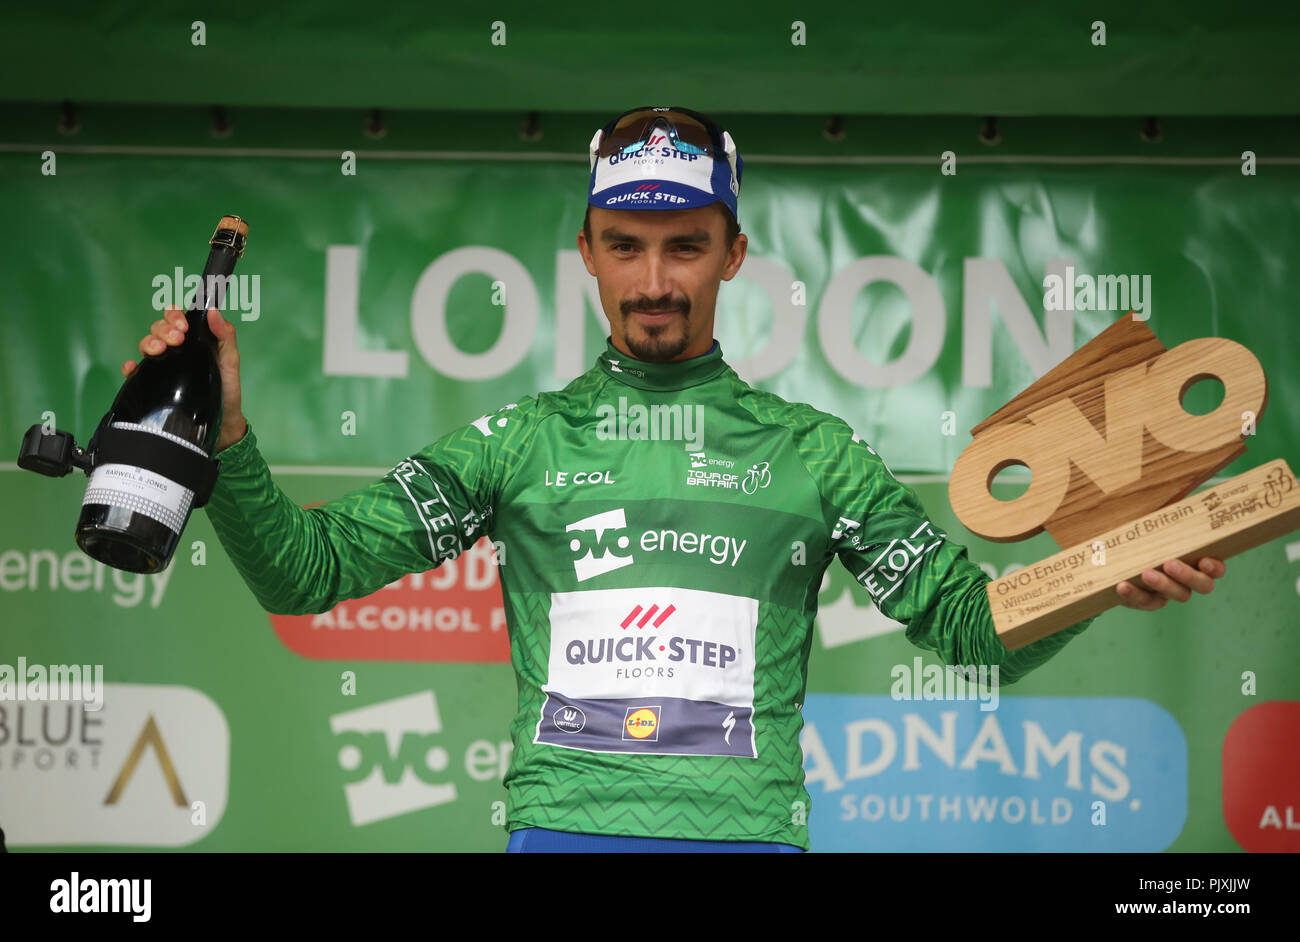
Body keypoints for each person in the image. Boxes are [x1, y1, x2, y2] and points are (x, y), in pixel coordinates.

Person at [123, 106, 1227, 853]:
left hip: (744, 838)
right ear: (587, 249)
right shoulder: (521, 440)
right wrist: (226, 433)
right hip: (563, 831)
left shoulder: (816, 451)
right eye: (625, 245)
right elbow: (305, 575)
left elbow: (971, 629)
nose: (654, 283)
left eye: (686, 246)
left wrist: (1106, 565)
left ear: (734, 252)